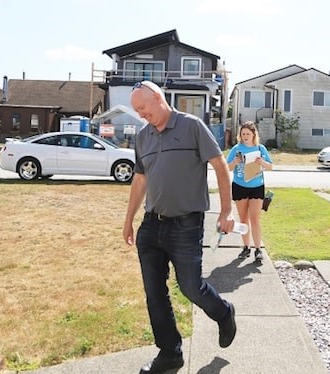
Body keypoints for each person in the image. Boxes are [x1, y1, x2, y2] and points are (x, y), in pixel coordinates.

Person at [123, 80, 237, 374]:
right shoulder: (143, 137)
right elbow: (140, 180)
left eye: (143, 108)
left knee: (190, 287)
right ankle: (170, 353)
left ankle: (223, 313)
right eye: (136, 110)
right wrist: (128, 221)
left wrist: (227, 210)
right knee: (154, 293)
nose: (141, 114)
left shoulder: (192, 126)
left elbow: (220, 165)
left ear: (158, 98)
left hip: (186, 225)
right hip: (151, 226)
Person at [226, 121, 273, 262]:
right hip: (239, 186)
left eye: (248, 134)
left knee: (255, 218)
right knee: (243, 219)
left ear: (254, 134)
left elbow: (270, 166)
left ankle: (258, 249)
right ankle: (246, 247)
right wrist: (234, 162)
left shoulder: (260, 148)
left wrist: (261, 162)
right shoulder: (236, 148)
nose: (245, 136)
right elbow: (227, 167)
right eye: (243, 134)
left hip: (257, 186)